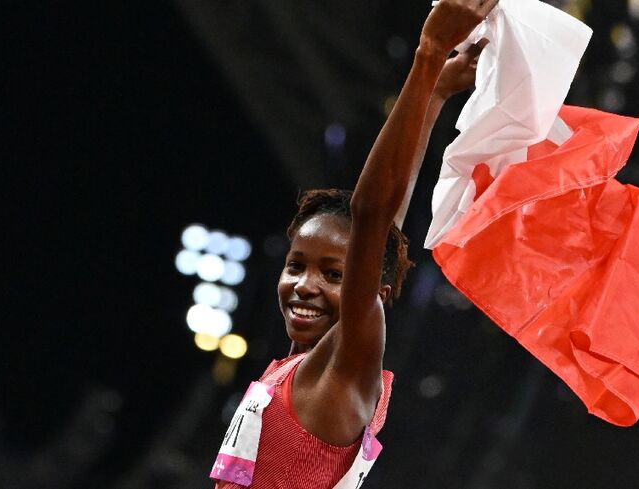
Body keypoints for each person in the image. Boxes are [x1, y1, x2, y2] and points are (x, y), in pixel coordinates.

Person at [210, 1, 499, 487]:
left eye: (334, 274)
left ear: (378, 289)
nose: (304, 285)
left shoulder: (348, 364)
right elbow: (382, 234)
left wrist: (428, 56)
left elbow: (374, 216)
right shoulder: (305, 365)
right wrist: (433, 96)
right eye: (296, 265)